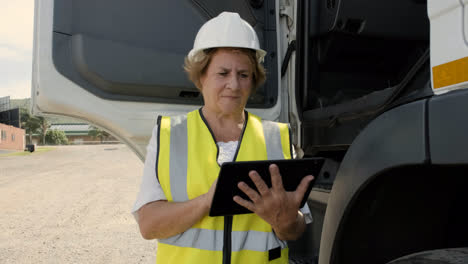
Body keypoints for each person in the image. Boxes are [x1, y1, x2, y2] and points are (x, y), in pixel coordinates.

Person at [132, 12, 314, 264]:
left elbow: (294, 231)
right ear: (202, 76)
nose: (234, 85)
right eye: (223, 73)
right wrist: (207, 201)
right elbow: (149, 226)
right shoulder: (169, 134)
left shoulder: (277, 137)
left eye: (243, 74)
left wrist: (285, 220)